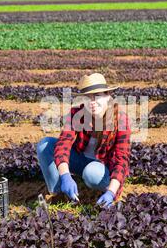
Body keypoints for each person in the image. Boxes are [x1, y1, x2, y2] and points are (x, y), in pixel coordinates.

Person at [36, 73, 131, 207]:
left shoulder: (121, 120)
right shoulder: (77, 114)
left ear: (108, 96)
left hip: (102, 169)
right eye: (87, 97)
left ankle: (102, 192)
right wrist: (65, 176)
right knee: (45, 145)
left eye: (97, 96)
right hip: (80, 161)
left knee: (91, 172)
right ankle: (58, 193)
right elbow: (63, 144)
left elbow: (122, 161)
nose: (92, 102)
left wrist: (111, 192)